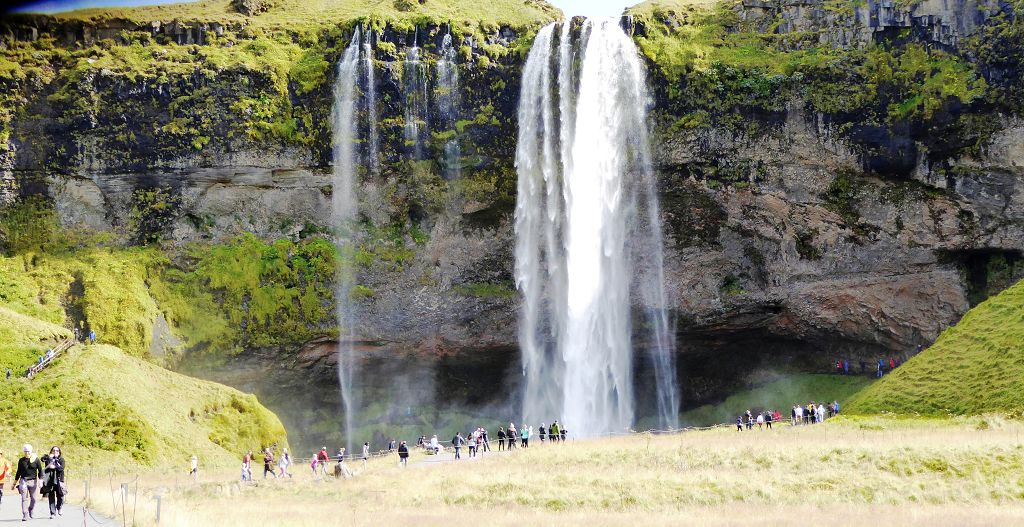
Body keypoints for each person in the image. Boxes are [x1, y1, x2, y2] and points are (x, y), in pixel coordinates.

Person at [13, 444, 42, 521]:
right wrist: (14, 483)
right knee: (24, 498)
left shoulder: (36, 459)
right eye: (25, 451)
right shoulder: (21, 460)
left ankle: (30, 510)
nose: (27, 453)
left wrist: (41, 480)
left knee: (34, 499)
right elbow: (18, 472)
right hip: (23, 481)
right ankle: (25, 514)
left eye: (28, 451)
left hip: (33, 481)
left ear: (31, 451)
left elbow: (40, 470)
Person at [40, 446, 65, 518]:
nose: (55, 452)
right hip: (50, 480)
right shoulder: (49, 458)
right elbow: (42, 459)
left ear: (59, 452)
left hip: (59, 480)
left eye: (57, 451)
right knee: (51, 497)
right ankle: (52, 513)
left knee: (61, 496)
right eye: (54, 450)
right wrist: (49, 457)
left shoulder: (61, 460)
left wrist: (55, 466)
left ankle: (59, 507)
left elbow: (61, 468)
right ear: (51, 451)